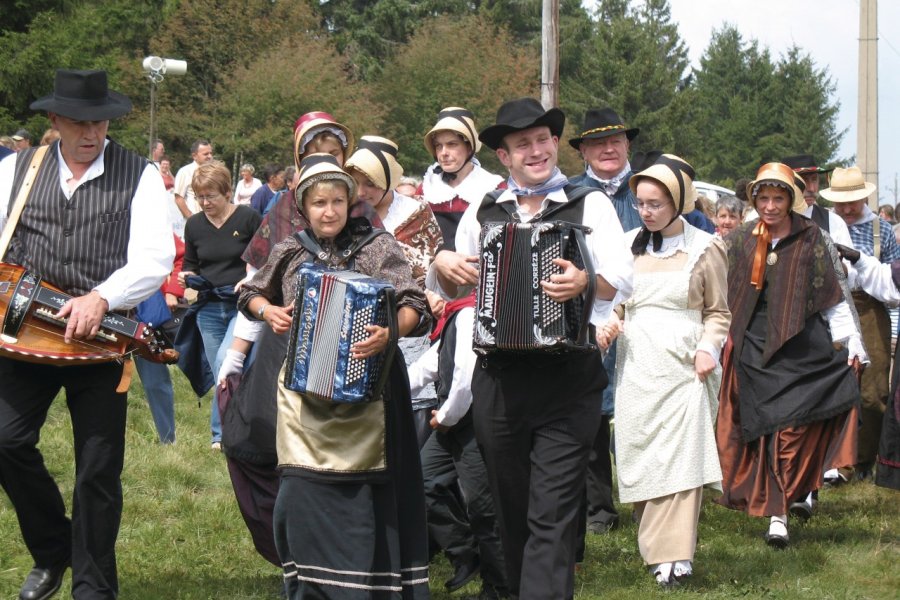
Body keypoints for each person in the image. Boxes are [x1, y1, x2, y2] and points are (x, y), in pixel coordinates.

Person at [429, 97, 633, 599]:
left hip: (568, 379)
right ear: (504, 156)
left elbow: (623, 280)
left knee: (553, 514)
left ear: (555, 144)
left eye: (543, 140)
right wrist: (445, 266)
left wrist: (586, 280)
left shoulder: (589, 203)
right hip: (499, 379)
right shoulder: (489, 209)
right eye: (524, 144)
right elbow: (459, 288)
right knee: (512, 511)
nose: (537, 151)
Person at [0, 69, 174, 600]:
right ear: (54, 120)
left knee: (97, 471)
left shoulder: (139, 174)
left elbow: (154, 257)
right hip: (24, 335)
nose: (90, 133)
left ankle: (94, 586)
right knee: (4, 441)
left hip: (101, 343)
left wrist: (101, 296)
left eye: (98, 122)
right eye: (77, 122)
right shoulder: (16, 170)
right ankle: (55, 549)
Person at [238, 153, 432, 598]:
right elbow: (249, 291)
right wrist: (268, 310)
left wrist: (389, 333)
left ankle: (373, 587)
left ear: (351, 203)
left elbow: (414, 305)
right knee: (301, 492)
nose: (329, 211)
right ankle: (311, 586)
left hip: (375, 396)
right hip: (304, 399)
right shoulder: (290, 250)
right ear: (304, 206)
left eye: (338, 202)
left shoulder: (378, 246)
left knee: (370, 495)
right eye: (319, 202)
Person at [716, 162, 865, 549]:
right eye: (763, 198)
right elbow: (717, 289)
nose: (769, 205)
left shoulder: (812, 237)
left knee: (792, 430)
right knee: (768, 432)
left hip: (803, 347)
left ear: (790, 200)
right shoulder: (742, 239)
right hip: (755, 347)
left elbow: (832, 295)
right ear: (754, 200)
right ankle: (778, 513)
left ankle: (794, 495)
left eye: (777, 197)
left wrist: (850, 340)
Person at [597, 155, 729, 587]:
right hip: (637, 364)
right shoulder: (628, 243)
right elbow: (613, 301)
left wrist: (709, 348)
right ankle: (656, 548)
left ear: (678, 202)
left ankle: (676, 555)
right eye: (641, 203)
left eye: (655, 203)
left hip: (684, 365)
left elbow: (718, 312)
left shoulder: (706, 247)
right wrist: (609, 324)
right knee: (641, 453)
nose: (647, 211)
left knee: (682, 457)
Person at [408, 293, 508, 599]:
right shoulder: (455, 316)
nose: (432, 297)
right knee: (423, 481)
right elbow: (432, 363)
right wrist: (387, 389)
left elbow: (465, 376)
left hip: (471, 421)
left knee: (483, 506)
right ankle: (467, 553)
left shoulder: (468, 314)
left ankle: (500, 587)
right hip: (452, 422)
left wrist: (446, 417)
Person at [822, 166, 899, 481]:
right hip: (829, 308)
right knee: (831, 386)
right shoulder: (823, 224)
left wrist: (893, 329)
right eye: (840, 202)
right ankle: (833, 461)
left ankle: (866, 459)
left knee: (873, 390)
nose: (846, 209)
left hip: (870, 309)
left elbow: (893, 282)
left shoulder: (882, 230)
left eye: (852, 201)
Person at [178, 162, 261, 449]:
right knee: (219, 370)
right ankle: (227, 430)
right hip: (209, 306)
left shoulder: (249, 218)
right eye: (199, 197)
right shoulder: (194, 225)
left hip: (242, 305)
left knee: (227, 360)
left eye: (210, 196)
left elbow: (266, 259)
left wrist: (251, 279)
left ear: (227, 192)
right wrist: (186, 277)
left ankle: (222, 433)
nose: (204, 203)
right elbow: (191, 264)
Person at [419, 107, 504, 251]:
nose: (443, 153)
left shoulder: (494, 187)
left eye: (452, 144)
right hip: (435, 270)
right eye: (438, 146)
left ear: (469, 148)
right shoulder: (427, 187)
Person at [173, 139, 214, 218]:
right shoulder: (185, 172)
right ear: (194, 156)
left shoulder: (215, 172)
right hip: (196, 218)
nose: (210, 156)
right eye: (206, 154)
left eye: (211, 153)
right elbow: (178, 198)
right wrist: (190, 217)